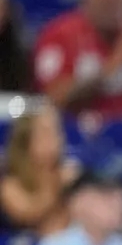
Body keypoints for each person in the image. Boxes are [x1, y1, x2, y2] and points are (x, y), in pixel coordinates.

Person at [0, 102, 77, 238]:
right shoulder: (10, 184)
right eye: (46, 133)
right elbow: (28, 213)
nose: (55, 140)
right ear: (25, 141)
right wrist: (56, 185)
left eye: (57, 132)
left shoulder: (69, 173)